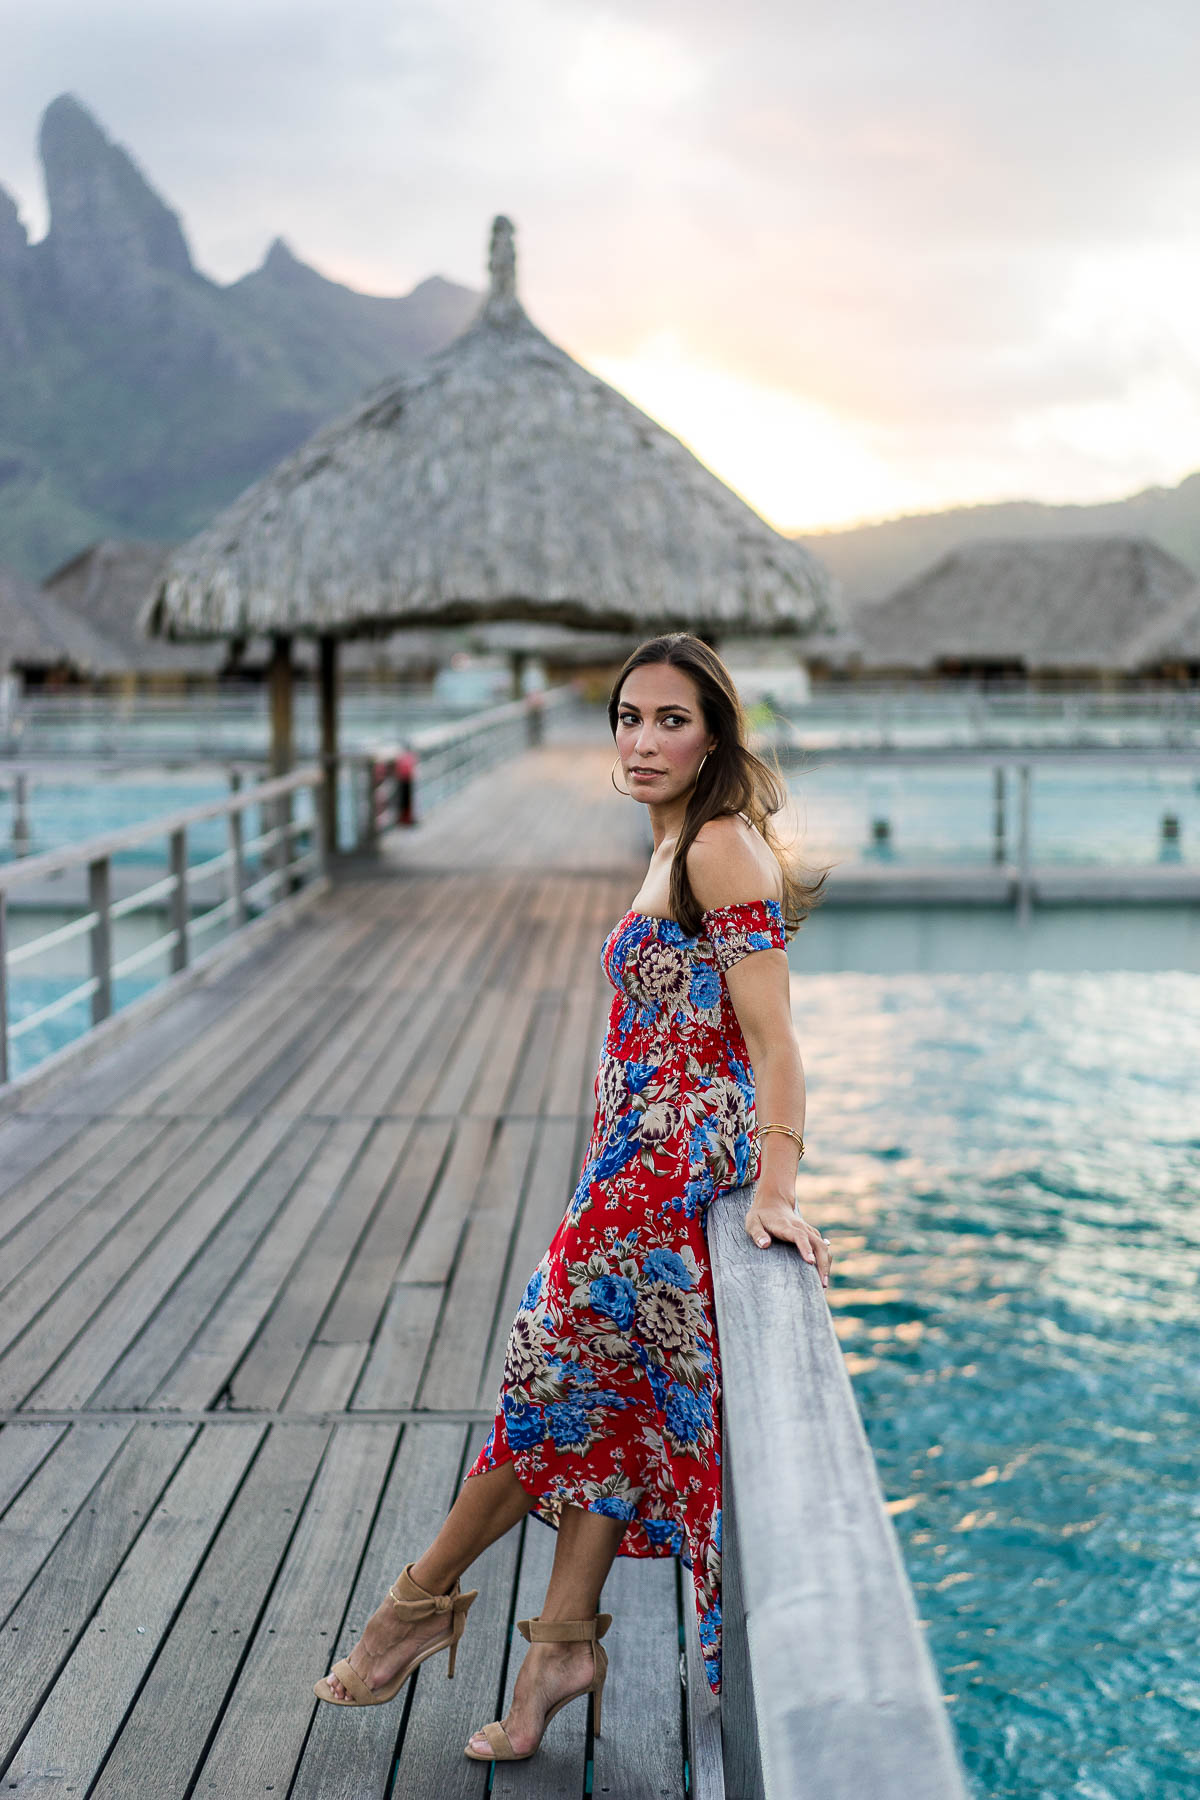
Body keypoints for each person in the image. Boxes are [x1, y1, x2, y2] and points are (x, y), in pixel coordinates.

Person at [313, 632, 831, 1761]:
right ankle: (558, 1652)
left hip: (668, 1178)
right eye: (628, 718)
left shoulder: (722, 850)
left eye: (671, 720)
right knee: (594, 1407)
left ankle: (411, 1608)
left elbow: (777, 1042)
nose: (643, 740)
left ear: (716, 734)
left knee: (540, 1392)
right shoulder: (674, 837)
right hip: (626, 1175)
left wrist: (778, 1186)